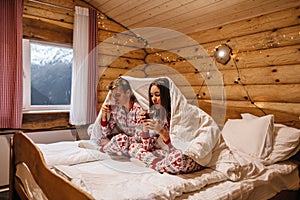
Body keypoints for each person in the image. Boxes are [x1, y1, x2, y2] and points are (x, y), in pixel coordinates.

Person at [128, 78, 203, 174]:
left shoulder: (182, 114)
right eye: (151, 95)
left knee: (178, 159)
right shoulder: (157, 114)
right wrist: (145, 127)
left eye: (157, 95)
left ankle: (155, 164)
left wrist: (162, 132)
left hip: (184, 156)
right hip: (165, 153)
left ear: (167, 95)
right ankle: (159, 164)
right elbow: (147, 147)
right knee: (133, 147)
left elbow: (183, 148)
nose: (153, 99)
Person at [97, 77, 144, 155]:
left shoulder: (139, 110)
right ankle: (115, 148)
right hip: (125, 143)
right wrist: (104, 116)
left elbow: (139, 139)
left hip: (137, 144)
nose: (115, 99)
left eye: (118, 95)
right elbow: (106, 133)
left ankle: (101, 149)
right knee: (95, 134)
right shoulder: (116, 109)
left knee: (121, 139)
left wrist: (112, 141)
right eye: (113, 96)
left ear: (128, 93)